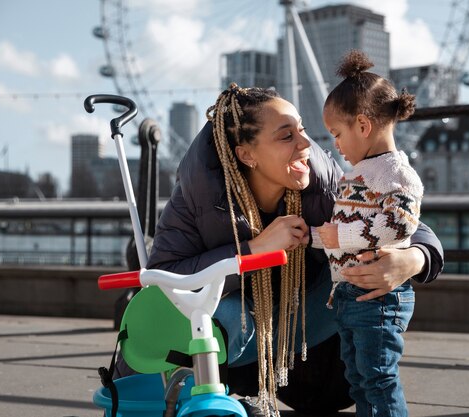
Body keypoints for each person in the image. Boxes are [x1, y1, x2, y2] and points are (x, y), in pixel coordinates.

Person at [145, 83, 444, 415]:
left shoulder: (322, 179)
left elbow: (405, 221)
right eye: (286, 137)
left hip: (307, 348)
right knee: (227, 314)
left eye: (302, 130)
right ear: (247, 154)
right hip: (239, 342)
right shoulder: (199, 196)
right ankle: (220, 393)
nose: (306, 143)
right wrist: (254, 249)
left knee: (360, 286)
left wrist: (413, 259)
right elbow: (163, 281)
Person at [310, 50, 421, 417]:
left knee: (378, 379)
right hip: (351, 295)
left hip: (378, 298)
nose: (335, 145)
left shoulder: (395, 174)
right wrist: (310, 236)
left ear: (362, 125)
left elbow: (399, 223)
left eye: (337, 134)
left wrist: (339, 238)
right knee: (359, 380)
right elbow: (342, 232)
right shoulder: (357, 174)